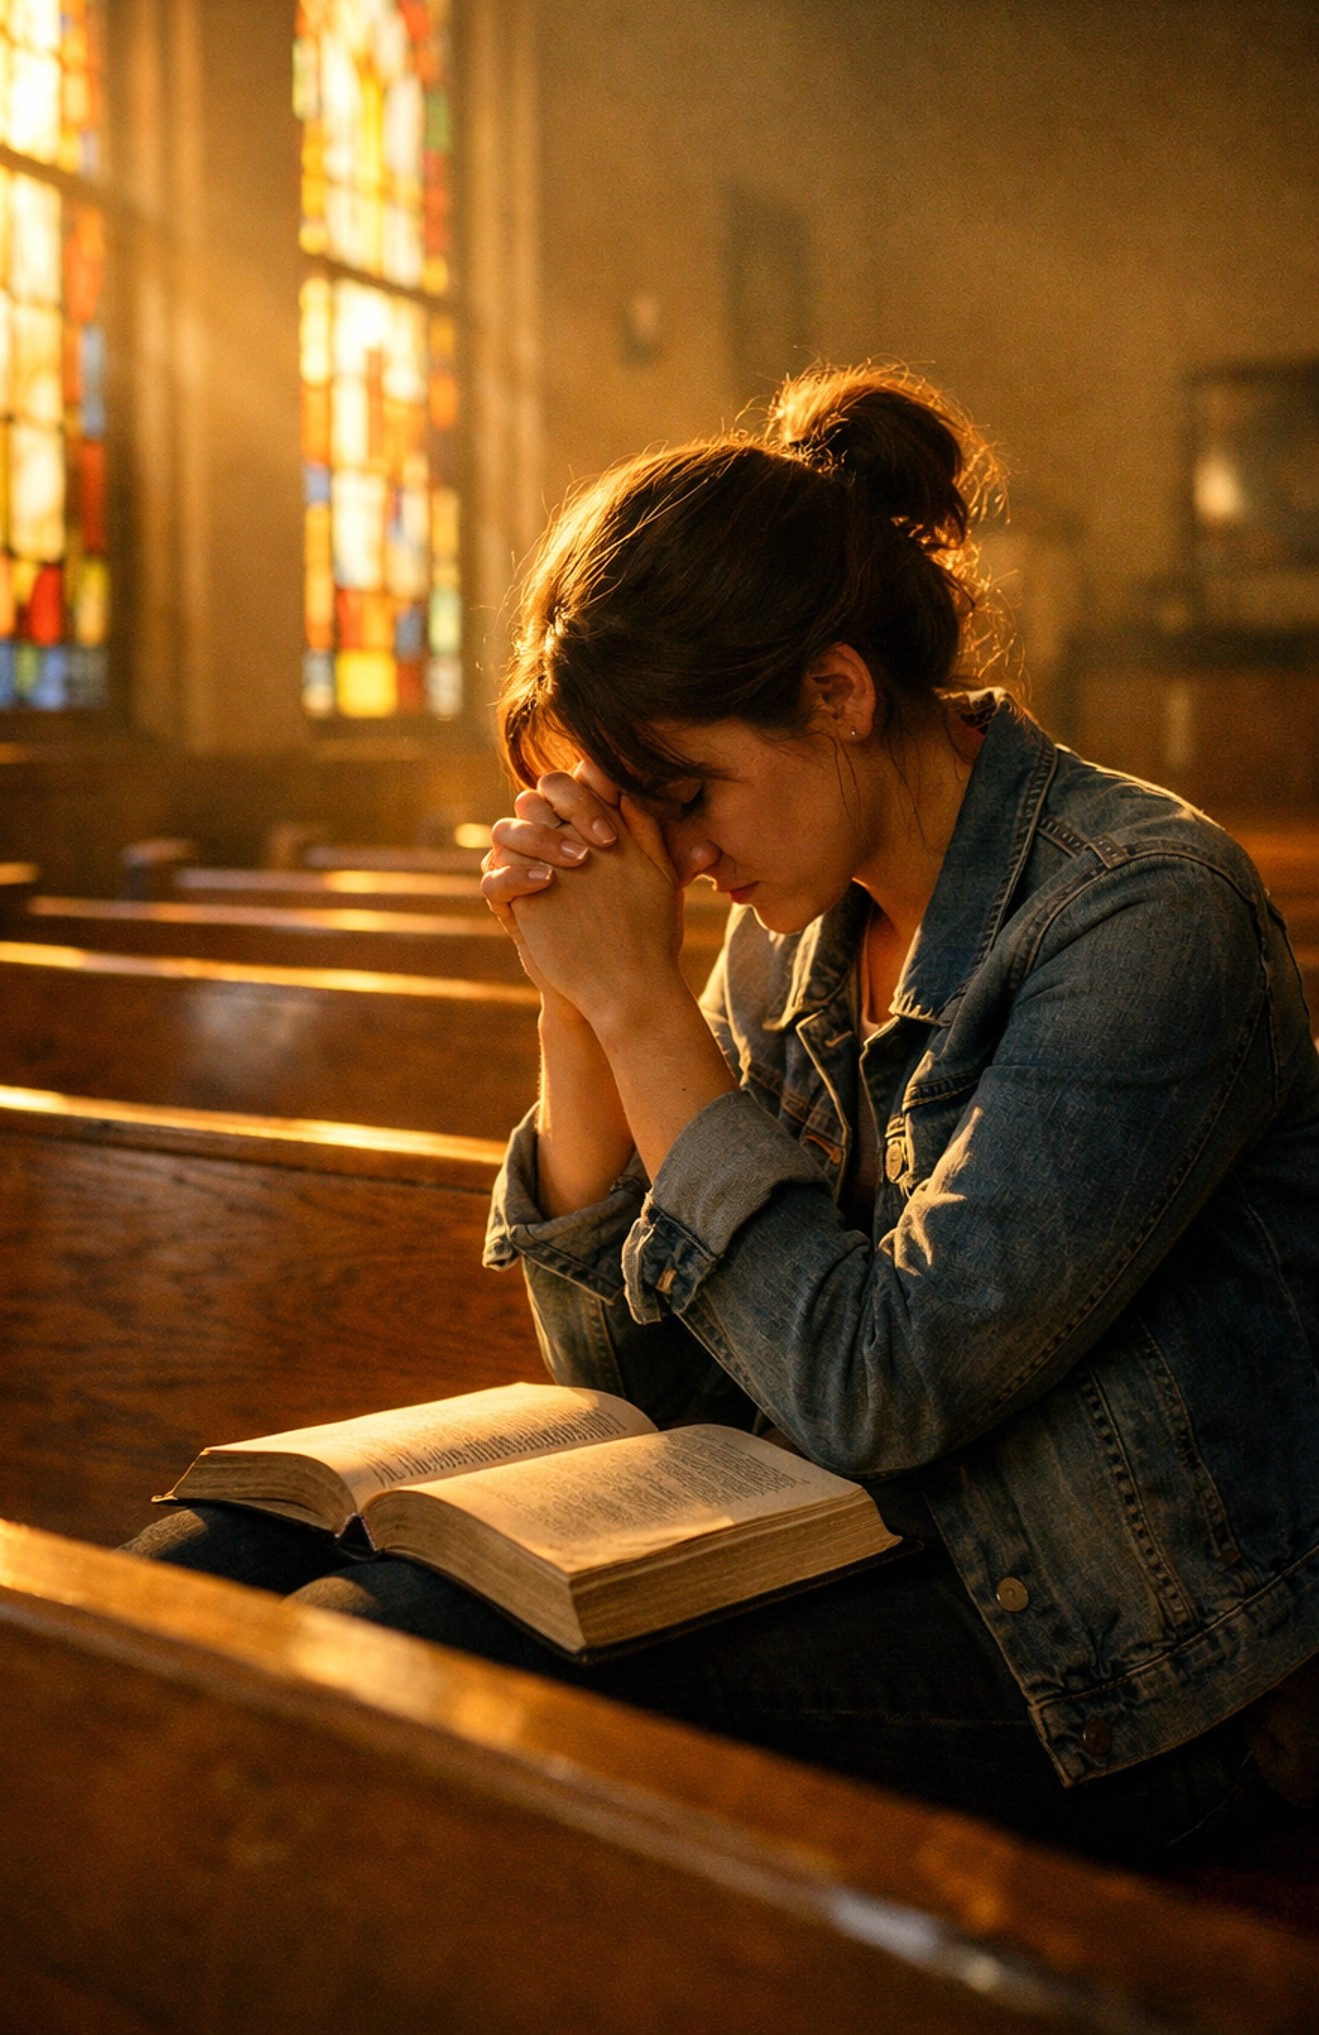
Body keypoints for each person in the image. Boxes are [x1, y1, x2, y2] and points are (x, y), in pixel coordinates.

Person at [125, 365, 1319, 1864]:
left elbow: (882, 1389)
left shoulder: (1141, 911)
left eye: (685, 794)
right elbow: (641, 1383)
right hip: (865, 1541)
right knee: (206, 1566)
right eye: (639, 814)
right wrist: (574, 991)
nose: (679, 859)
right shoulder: (791, 929)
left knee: (394, 1639)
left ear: (836, 692)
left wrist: (638, 1006)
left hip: (1140, 1667)